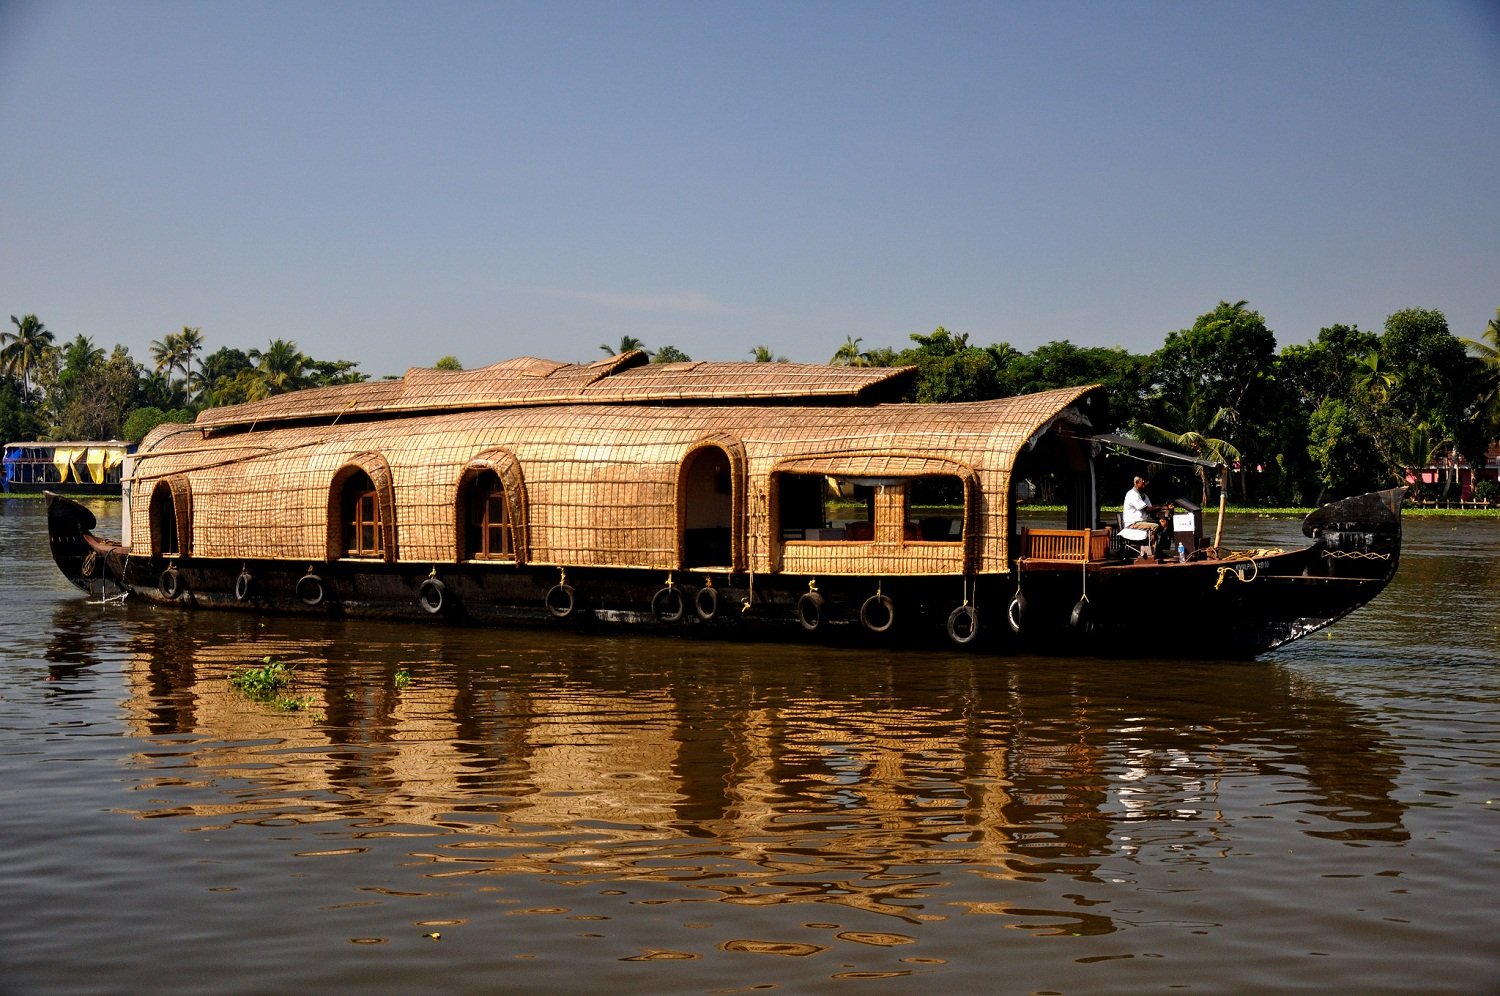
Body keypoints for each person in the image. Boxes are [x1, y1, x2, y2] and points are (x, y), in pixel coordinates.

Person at [1123, 476, 1169, 554]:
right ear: (1137, 483)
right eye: (1142, 482)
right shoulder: (1132, 494)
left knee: (1164, 525)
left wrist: (1160, 520)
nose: (1144, 483)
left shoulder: (1144, 496)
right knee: (1154, 526)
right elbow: (1147, 509)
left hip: (1141, 522)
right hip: (1133, 523)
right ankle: (1150, 552)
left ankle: (1160, 550)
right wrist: (1163, 507)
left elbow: (1151, 511)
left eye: (1145, 482)